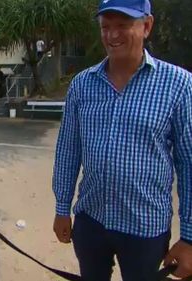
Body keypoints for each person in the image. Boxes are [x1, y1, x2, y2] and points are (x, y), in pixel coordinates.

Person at [52, 0, 192, 280]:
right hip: (91, 222)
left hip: (145, 229)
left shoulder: (179, 85)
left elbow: (189, 165)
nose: (112, 35)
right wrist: (61, 208)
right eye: (106, 27)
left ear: (147, 26)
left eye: (123, 25)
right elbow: (68, 150)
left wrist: (189, 238)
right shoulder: (82, 84)